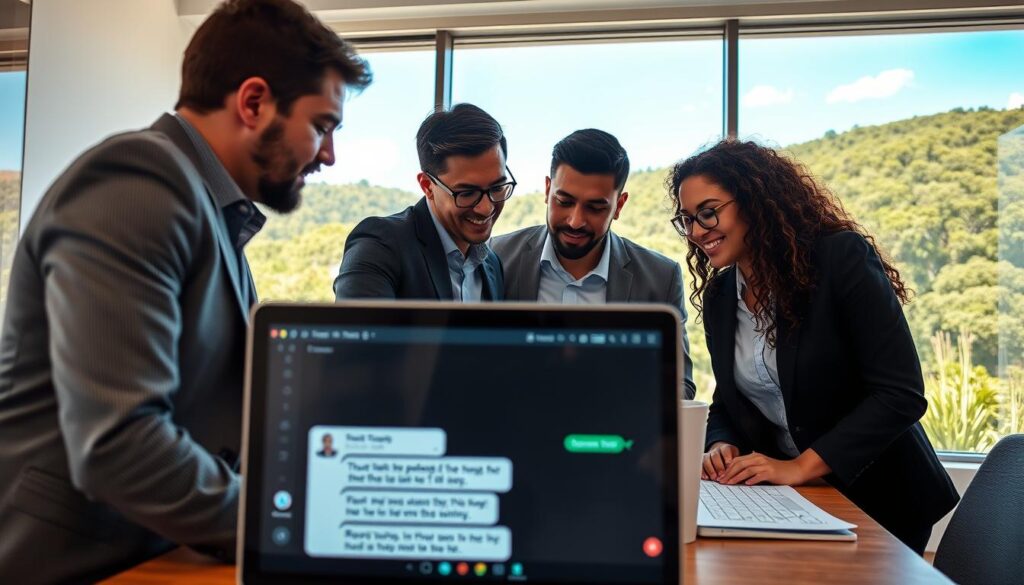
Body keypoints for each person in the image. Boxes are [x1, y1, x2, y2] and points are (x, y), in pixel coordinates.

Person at [0, 0, 370, 581]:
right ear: (253, 102)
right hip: (76, 565)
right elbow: (119, 443)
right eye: (322, 125)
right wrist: (285, 523)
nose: (328, 155)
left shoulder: (211, 209)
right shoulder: (139, 179)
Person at [667, 139, 959, 554]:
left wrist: (800, 466)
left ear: (755, 198)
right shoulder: (720, 298)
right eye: (688, 220)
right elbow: (731, 402)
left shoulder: (840, 258)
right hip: (797, 502)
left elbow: (900, 394)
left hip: (883, 500)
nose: (697, 232)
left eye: (709, 212)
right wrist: (720, 444)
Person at [491, 129, 696, 399]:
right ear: (547, 190)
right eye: (564, 202)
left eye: (595, 208)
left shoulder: (660, 277)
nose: (576, 221)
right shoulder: (496, 258)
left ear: (619, 206)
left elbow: (680, 385)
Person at [334, 104, 507, 301]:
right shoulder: (379, 245)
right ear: (427, 186)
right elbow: (359, 330)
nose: (486, 208)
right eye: (467, 193)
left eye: (497, 188)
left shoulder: (492, 265)